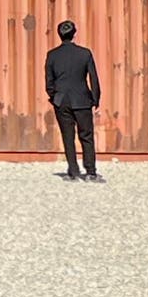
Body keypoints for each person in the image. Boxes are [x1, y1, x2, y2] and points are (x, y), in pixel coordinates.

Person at [45, 19, 102, 182]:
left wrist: (54, 97)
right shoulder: (85, 53)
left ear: (59, 35)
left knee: (67, 135)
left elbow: (49, 81)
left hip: (61, 100)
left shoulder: (52, 55)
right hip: (82, 100)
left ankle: (73, 170)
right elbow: (94, 78)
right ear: (74, 34)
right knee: (87, 135)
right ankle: (90, 171)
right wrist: (96, 98)